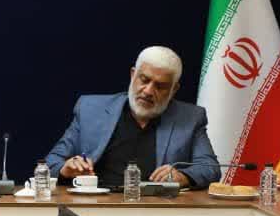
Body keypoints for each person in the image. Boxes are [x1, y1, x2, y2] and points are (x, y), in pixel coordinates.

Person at [45, 46, 220, 189]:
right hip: (97, 205)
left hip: (158, 210)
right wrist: (66, 169)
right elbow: (50, 163)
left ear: (174, 89)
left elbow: (210, 168)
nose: (148, 91)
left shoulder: (190, 118)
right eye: (144, 80)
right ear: (132, 75)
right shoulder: (91, 109)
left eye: (160, 86)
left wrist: (183, 176)